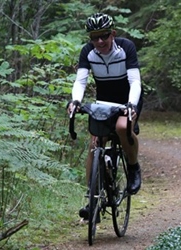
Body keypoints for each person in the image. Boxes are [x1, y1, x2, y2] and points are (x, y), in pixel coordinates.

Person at [67, 13, 143, 220]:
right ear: (90, 38)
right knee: (95, 144)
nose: (100, 41)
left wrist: (131, 105)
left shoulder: (126, 47)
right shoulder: (88, 53)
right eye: (95, 37)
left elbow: (135, 81)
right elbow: (81, 81)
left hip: (128, 98)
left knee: (121, 128)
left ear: (113, 34)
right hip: (104, 101)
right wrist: (75, 101)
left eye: (104, 35)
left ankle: (134, 168)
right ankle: (92, 200)